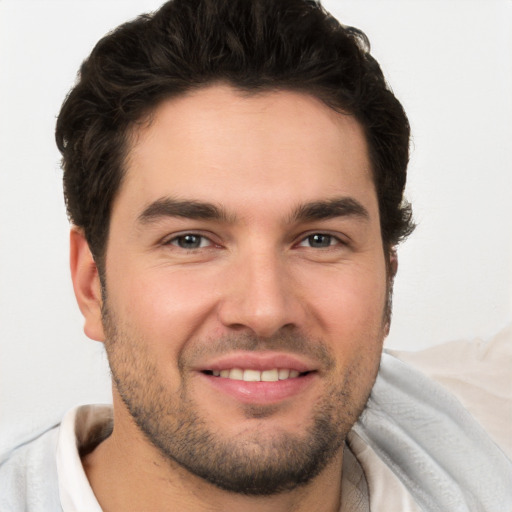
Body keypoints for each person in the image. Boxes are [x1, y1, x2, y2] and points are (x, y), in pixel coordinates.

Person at [1, 0, 510, 510]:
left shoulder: (478, 430)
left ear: (387, 281)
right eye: (191, 240)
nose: (265, 310)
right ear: (92, 285)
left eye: (320, 240)